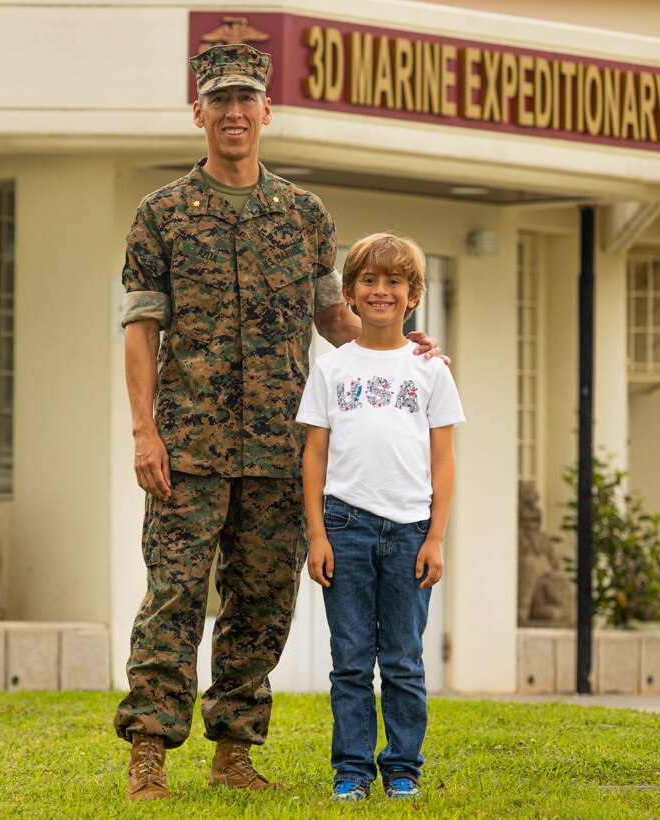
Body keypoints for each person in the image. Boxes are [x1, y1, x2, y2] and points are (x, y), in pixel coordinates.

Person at [114, 45, 443, 801]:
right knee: (173, 594)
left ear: (268, 111)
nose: (234, 112)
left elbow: (335, 317)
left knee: (262, 601)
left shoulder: (301, 214)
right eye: (219, 99)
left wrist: (402, 350)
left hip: (279, 446)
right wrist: (144, 430)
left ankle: (233, 750)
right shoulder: (161, 214)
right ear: (198, 111)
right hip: (188, 446)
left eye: (247, 99)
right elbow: (141, 328)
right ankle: (149, 755)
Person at [297, 232, 465, 802]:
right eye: (368, 280)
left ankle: (401, 769)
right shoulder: (330, 369)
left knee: (402, 661)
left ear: (413, 294)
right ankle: (351, 770)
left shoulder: (431, 371)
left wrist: (436, 537)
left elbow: (443, 460)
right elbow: (314, 455)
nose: (380, 291)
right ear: (348, 292)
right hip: (344, 527)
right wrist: (316, 534)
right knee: (349, 661)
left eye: (394, 281)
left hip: (411, 530)